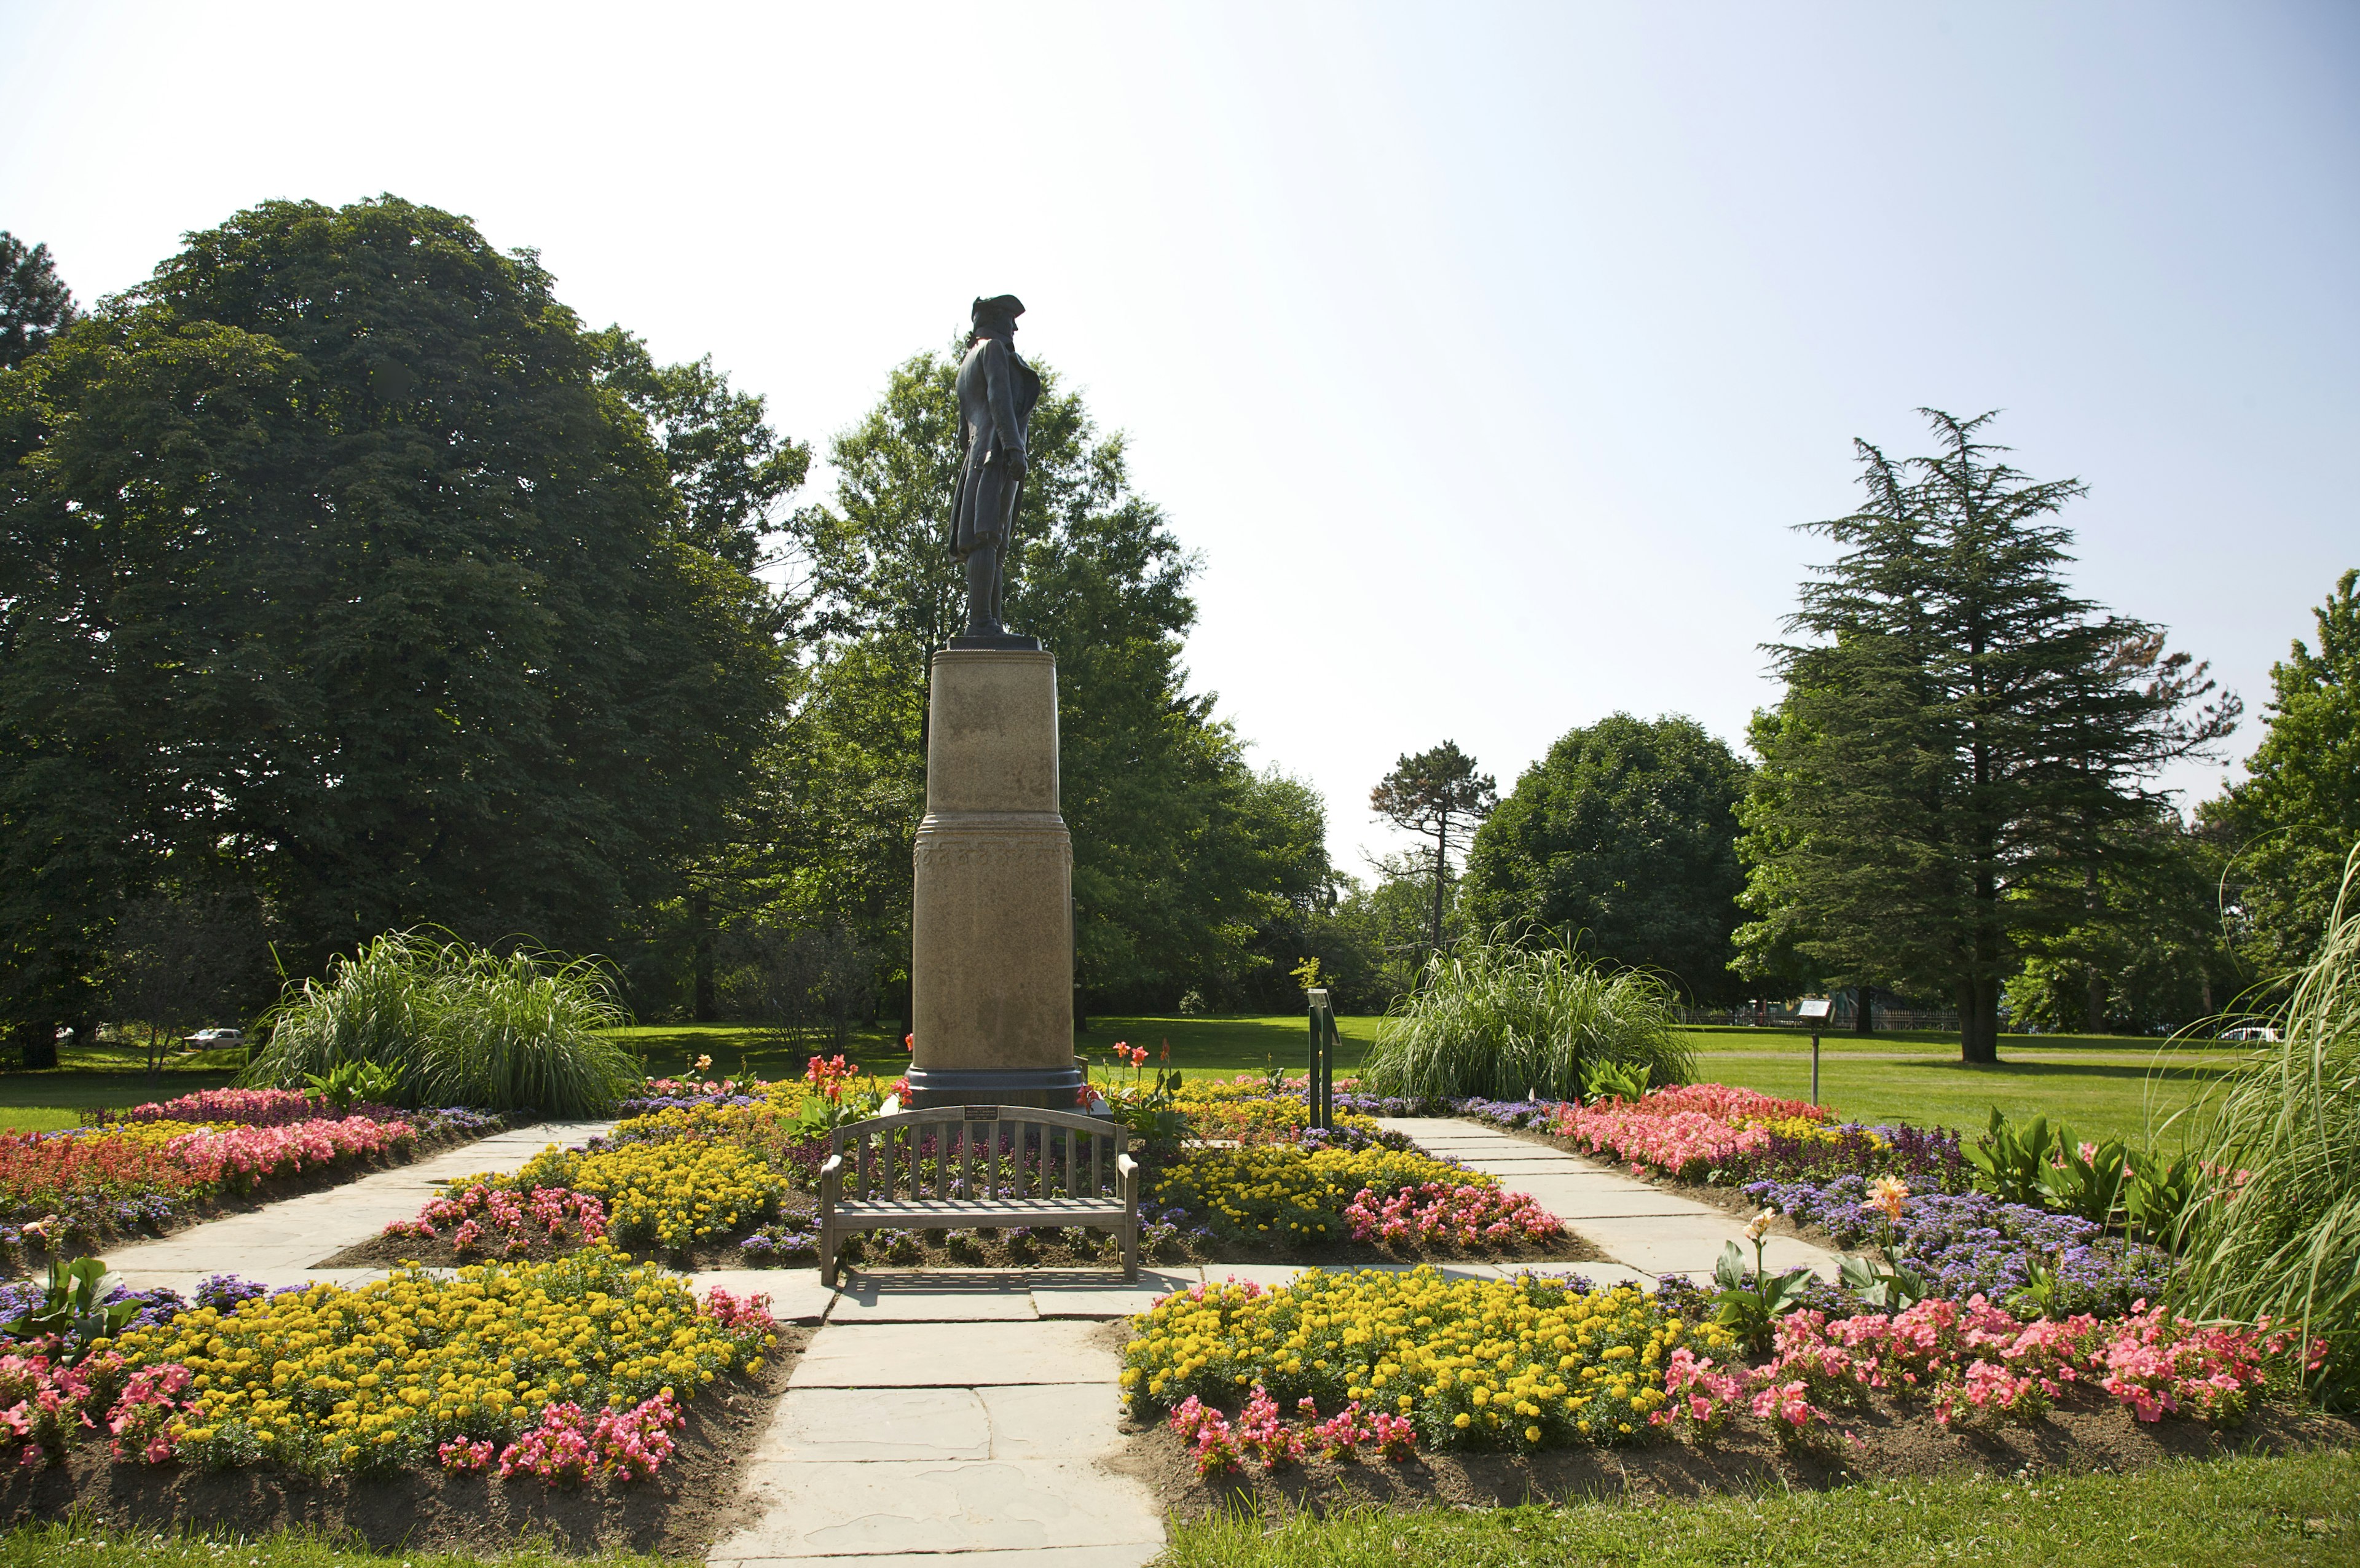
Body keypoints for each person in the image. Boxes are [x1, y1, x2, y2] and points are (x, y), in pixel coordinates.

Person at [949, 294, 1041, 641]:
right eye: (1009, 318)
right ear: (993, 319)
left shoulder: (966, 363)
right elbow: (999, 400)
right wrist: (1014, 446)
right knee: (987, 537)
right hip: (996, 452)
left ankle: (992, 624)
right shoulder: (993, 352)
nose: (1014, 327)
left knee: (993, 540)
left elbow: (962, 433)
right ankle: (982, 624)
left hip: (980, 454)